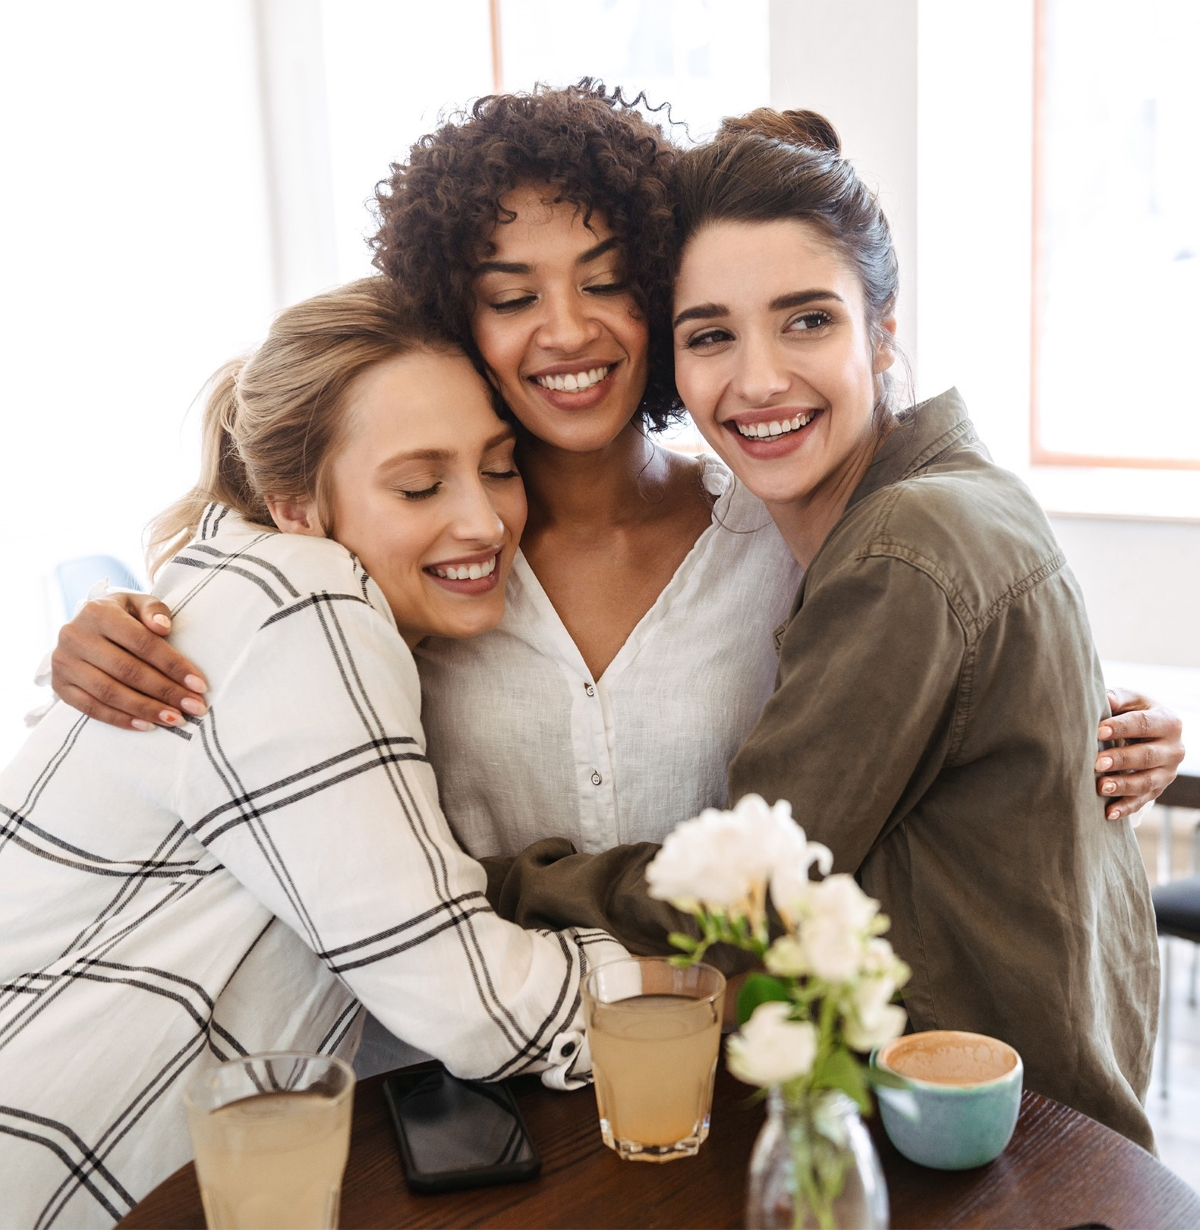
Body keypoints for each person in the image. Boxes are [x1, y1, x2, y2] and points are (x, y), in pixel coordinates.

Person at [46, 84, 1183, 848]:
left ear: (661, 297)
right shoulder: (416, 544)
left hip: (728, 1083)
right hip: (460, 1095)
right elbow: (250, 585)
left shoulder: (778, 536)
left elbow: (931, 689)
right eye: (510, 297)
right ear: (458, 315)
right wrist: (116, 626)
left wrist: (1097, 726)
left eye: (604, 282)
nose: (568, 331)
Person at [0, 279, 628, 1228]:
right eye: (419, 485)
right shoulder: (305, 598)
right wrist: (695, 994)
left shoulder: (242, 580)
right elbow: (471, 1001)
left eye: (498, 467)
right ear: (295, 503)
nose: (485, 521)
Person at [668, 108, 1159, 1147]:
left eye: (808, 320)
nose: (755, 378)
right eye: (710, 333)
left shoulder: (904, 545)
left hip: (993, 1154)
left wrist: (517, 876)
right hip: (1048, 1126)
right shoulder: (953, 493)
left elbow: (750, 895)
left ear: (885, 331)